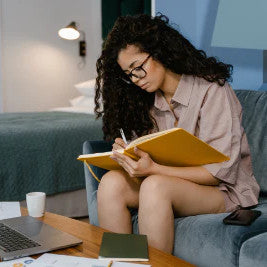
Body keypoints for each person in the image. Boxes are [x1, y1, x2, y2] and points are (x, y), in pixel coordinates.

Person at [94, 14, 260, 254]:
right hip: (175, 182)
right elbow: (157, 157)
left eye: (138, 67)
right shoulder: (151, 103)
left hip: (225, 190)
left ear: (160, 52)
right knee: (110, 183)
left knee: (154, 186)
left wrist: (153, 169)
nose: (136, 78)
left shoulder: (212, 90)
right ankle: (122, 262)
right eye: (129, 74)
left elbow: (219, 172)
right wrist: (130, 153)